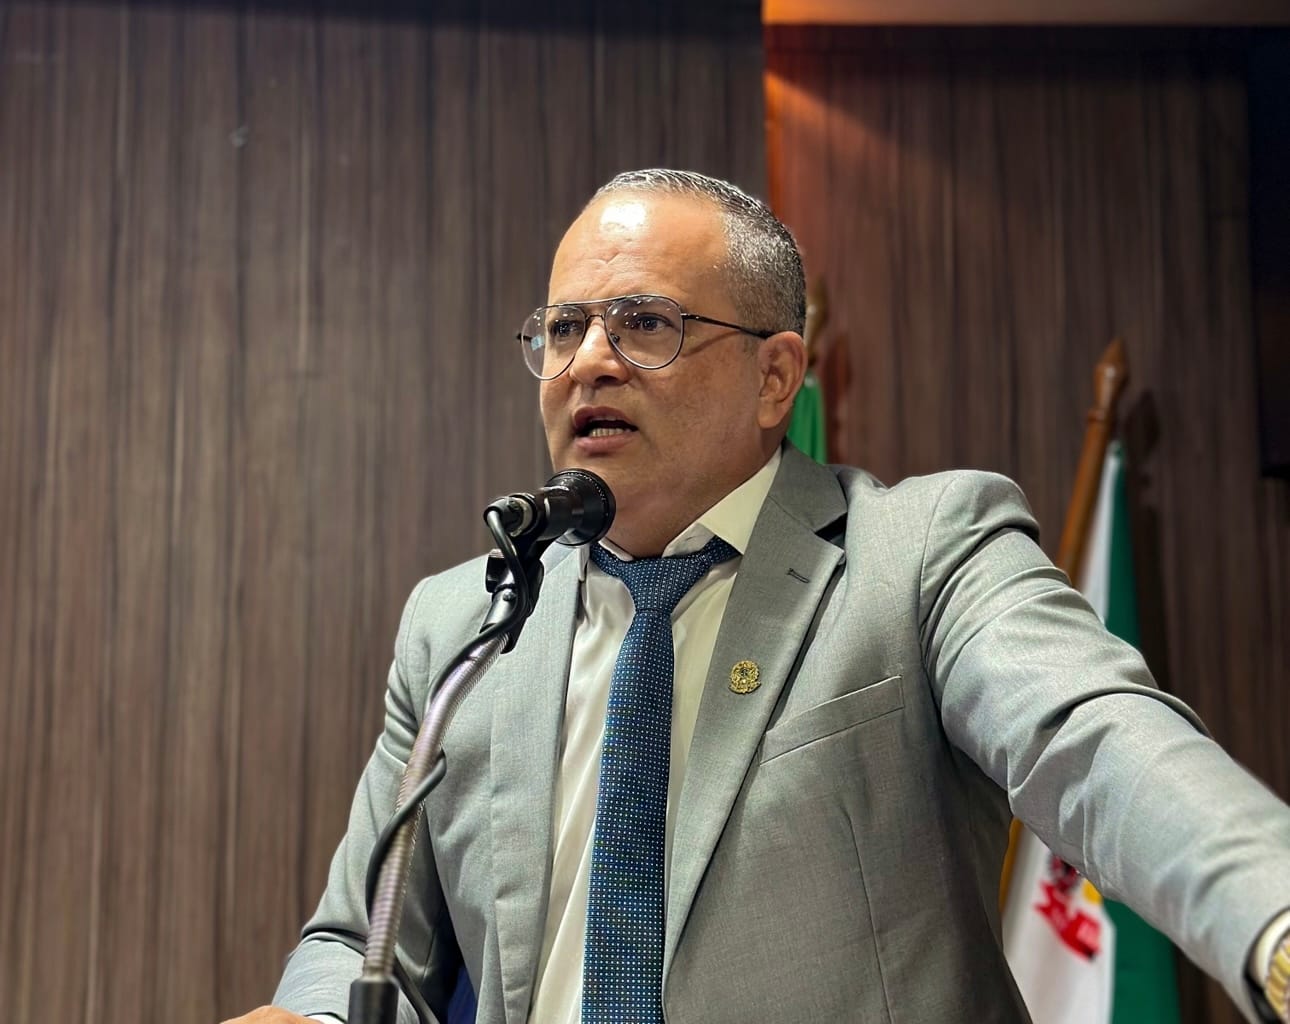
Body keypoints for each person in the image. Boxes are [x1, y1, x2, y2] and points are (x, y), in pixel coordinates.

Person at [225, 170, 1290, 1024]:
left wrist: (1273, 922)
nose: (587, 362)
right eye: (562, 328)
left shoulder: (918, 553)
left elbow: (1094, 741)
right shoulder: (464, 625)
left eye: (644, 324)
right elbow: (362, 938)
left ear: (776, 378)